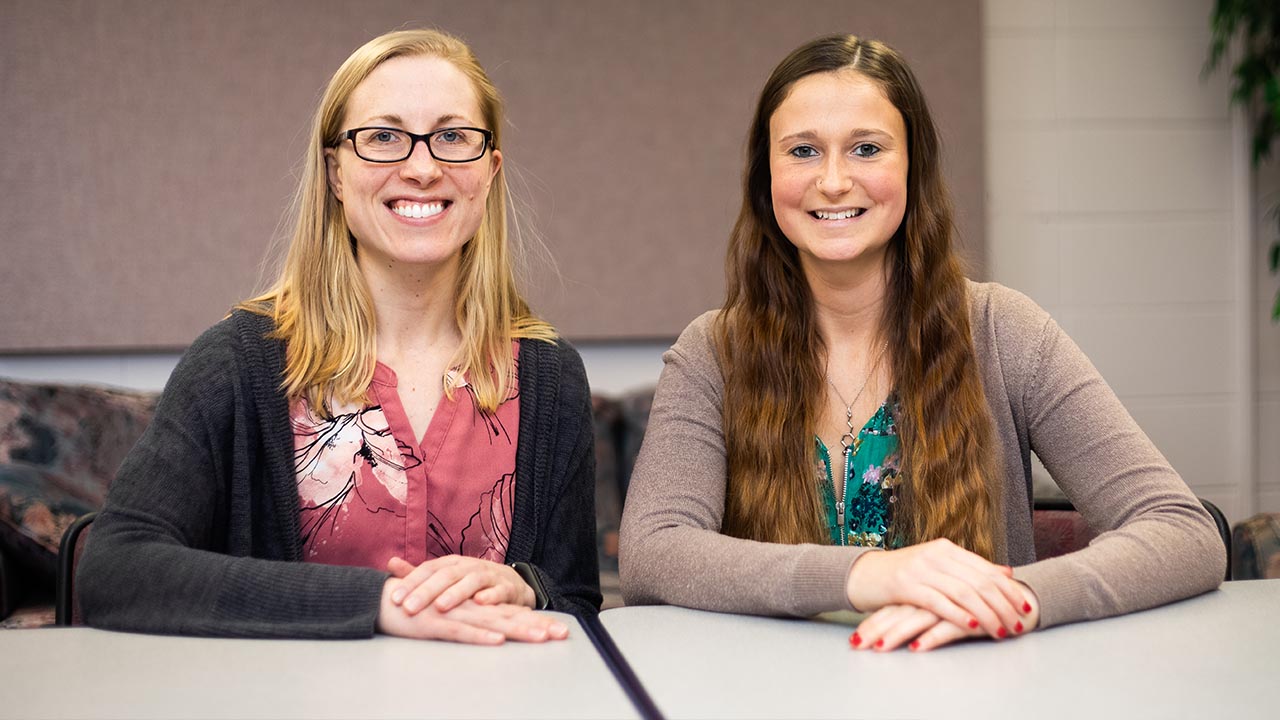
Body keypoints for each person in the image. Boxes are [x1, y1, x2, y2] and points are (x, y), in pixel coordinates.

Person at [618, 34, 1224, 652]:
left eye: (866, 149)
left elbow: (1183, 531)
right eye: (802, 151)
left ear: (914, 166)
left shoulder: (1004, 331)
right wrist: (864, 574)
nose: (832, 181)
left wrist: (1012, 600)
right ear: (764, 177)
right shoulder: (712, 352)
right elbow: (653, 551)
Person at [78, 28, 600, 644]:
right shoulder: (239, 363)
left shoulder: (548, 375)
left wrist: (528, 587)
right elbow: (116, 568)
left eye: (453, 137)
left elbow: (577, 601)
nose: (424, 167)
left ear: (489, 172)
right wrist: (374, 603)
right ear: (335, 171)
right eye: (383, 137)